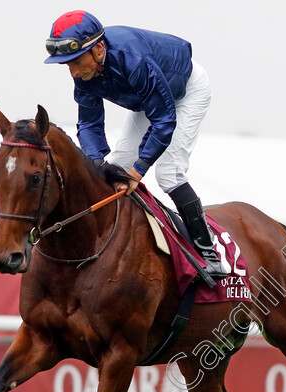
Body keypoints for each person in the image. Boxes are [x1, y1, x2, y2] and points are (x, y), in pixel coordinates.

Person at [44, 10, 227, 279]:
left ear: (97, 49)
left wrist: (138, 171)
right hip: (150, 98)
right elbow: (90, 124)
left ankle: (209, 253)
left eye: (76, 62)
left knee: (168, 173)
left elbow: (164, 122)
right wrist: (97, 165)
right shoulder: (84, 72)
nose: (73, 72)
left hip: (187, 91)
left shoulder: (133, 61)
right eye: (67, 65)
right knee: (115, 167)